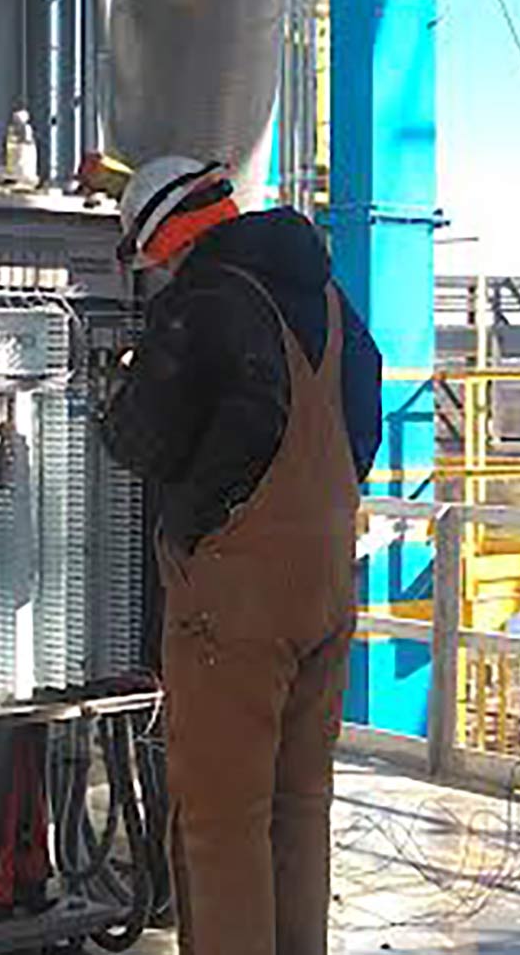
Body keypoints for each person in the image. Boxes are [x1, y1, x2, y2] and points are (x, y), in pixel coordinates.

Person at [98, 155, 382, 955]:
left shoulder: (202, 302)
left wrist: (113, 386)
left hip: (235, 605)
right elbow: (361, 415)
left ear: (164, 239)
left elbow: (141, 436)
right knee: (299, 804)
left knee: (222, 824)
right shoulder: (324, 296)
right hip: (327, 582)